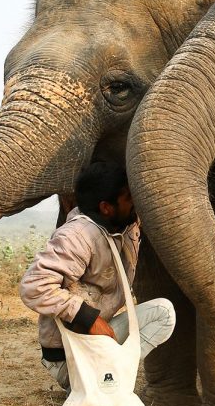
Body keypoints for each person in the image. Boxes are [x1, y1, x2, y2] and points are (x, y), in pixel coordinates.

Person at [20, 162, 175, 391]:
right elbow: (33, 287)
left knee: (164, 313)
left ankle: (109, 378)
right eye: (129, 198)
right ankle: (99, 385)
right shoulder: (78, 236)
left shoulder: (123, 225)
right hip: (70, 350)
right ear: (106, 207)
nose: (135, 202)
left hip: (98, 338)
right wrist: (90, 319)